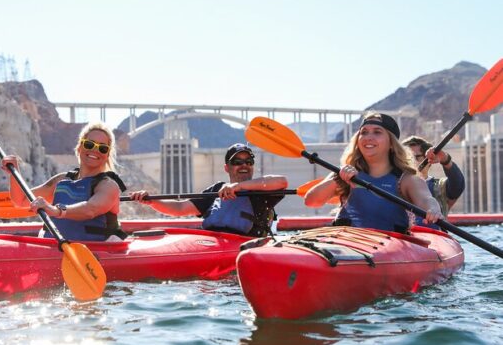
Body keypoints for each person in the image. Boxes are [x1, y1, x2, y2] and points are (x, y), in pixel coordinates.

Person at [304, 112, 443, 234]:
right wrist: (338, 179)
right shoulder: (345, 172)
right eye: (364, 132)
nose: (368, 137)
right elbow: (311, 201)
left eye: (377, 132)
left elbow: (426, 199)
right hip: (346, 241)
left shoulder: (406, 178)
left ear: (391, 143)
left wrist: (433, 209)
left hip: (389, 247)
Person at [1, 122, 127, 241]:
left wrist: (56, 210)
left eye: (103, 148)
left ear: (107, 154)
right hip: (55, 250)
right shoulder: (61, 180)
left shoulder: (108, 186)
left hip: (93, 255)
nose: (95, 150)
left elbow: (90, 209)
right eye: (89, 144)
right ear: (79, 147)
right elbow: (21, 200)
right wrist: (14, 173)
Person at [130, 143, 288, 237]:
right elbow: (180, 208)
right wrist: (152, 201)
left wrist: (239, 187)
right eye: (237, 162)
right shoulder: (217, 190)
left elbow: (282, 181)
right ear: (227, 168)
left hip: (246, 245)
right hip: (212, 243)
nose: (244, 165)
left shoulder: (261, 190)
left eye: (248, 161)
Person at [402, 135, 465, 226]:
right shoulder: (392, 183)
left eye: (416, 157)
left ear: (429, 160)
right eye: (406, 158)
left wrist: (445, 159)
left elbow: (457, 184)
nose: (411, 162)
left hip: (432, 237)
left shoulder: (439, 187)